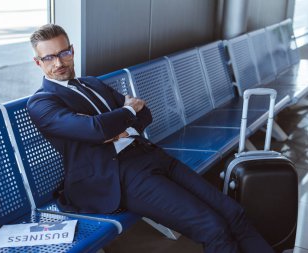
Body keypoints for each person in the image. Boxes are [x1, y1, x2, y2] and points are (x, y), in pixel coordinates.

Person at [27, 24, 274, 253]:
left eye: (64, 53)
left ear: (72, 51)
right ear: (38, 63)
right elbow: (96, 129)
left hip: (149, 154)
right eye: (49, 57)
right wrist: (124, 112)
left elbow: (145, 113)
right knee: (213, 227)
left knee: (233, 213)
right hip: (116, 175)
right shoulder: (42, 102)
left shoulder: (93, 84)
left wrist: (118, 123)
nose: (58, 62)